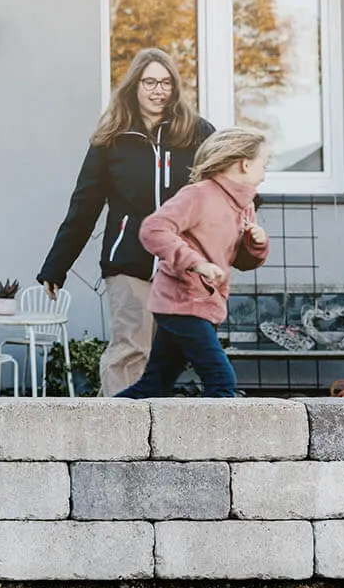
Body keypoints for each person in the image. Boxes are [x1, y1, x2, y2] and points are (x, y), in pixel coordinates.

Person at [37, 49, 214, 395]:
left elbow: (225, 177)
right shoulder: (112, 140)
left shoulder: (196, 133)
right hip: (128, 260)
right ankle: (121, 435)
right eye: (150, 82)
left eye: (165, 83)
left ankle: (121, 424)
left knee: (168, 355)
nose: (158, 90)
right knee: (132, 347)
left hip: (181, 263)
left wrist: (248, 205)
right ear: (134, 86)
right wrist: (56, 266)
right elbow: (84, 206)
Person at [115, 126, 272, 399]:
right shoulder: (199, 195)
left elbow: (243, 262)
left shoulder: (244, 206)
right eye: (264, 163)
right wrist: (196, 263)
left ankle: (101, 425)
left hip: (206, 302)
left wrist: (255, 244)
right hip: (181, 301)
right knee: (221, 379)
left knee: (154, 385)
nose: (266, 172)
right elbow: (154, 229)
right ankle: (221, 441)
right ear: (245, 164)